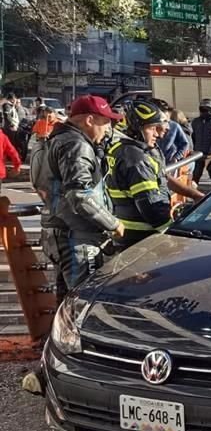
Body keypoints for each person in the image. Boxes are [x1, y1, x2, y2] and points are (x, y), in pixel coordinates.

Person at [41, 95, 125, 302]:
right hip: (77, 237)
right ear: (89, 120)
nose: (108, 129)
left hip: (58, 231)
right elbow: (80, 194)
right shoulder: (77, 145)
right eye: (105, 122)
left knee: (65, 300)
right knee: (84, 301)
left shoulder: (54, 140)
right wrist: (112, 223)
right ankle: (79, 335)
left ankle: (60, 334)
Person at [105, 100, 176, 249]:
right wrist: (172, 232)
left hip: (128, 233)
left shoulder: (122, 149)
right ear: (137, 129)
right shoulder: (136, 158)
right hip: (142, 237)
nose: (159, 134)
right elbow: (149, 203)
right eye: (152, 128)